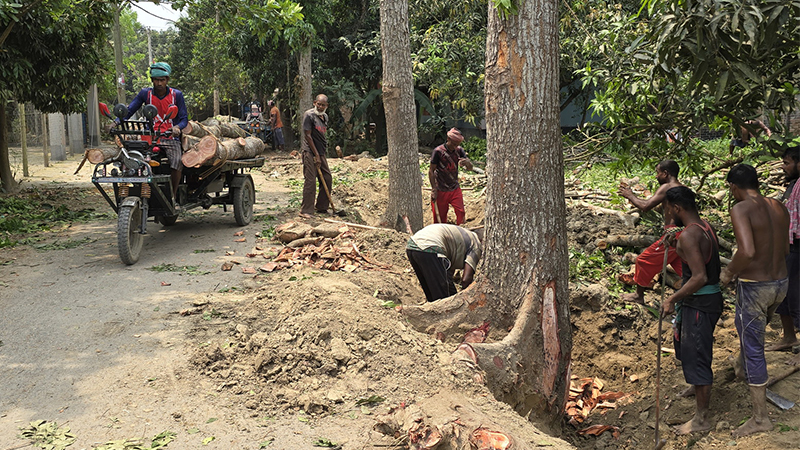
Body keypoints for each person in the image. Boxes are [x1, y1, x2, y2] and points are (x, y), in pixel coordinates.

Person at [720, 164, 789, 438]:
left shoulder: (740, 208)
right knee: (752, 334)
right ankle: (741, 367)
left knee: (754, 346)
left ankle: (760, 417)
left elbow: (746, 251)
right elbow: (784, 248)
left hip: (755, 286)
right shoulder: (778, 206)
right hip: (780, 283)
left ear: (734, 187)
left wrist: (728, 272)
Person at [660, 186, 723, 435]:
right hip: (705, 301)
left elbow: (698, 277)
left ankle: (701, 419)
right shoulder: (702, 226)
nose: (667, 215)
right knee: (688, 349)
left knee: (697, 356)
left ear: (677, 208)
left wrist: (671, 299)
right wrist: (676, 240)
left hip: (700, 303)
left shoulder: (689, 235)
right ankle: (696, 387)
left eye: (667, 210)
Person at [618, 160, 684, 303]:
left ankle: (638, 296)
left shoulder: (667, 187)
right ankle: (698, 298)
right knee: (684, 269)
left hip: (673, 235)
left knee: (642, 261)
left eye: (657, 172)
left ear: (665, 173)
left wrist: (630, 195)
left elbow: (646, 206)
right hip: (684, 234)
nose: (656, 176)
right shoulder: (682, 188)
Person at [123, 62, 188, 201]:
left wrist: (177, 128)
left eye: (162, 80)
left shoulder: (176, 95)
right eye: (156, 80)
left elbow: (184, 119)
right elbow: (129, 110)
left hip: (169, 138)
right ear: (152, 80)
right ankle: (140, 191)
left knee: (177, 162)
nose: (159, 83)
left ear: (167, 80)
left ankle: (173, 194)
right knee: (133, 160)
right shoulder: (145, 94)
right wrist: (116, 121)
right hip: (150, 137)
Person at [766, 147, 800, 353]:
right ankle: (789, 337)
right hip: (789, 246)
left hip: (798, 246)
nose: (783, 166)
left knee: (796, 293)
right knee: (784, 293)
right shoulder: (794, 185)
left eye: (787, 163)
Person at [406, 224, 482, 302]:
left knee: (433, 297)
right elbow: (466, 279)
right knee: (449, 300)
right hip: (430, 247)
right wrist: (465, 300)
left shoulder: (463, 237)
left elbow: (448, 271)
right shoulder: (477, 245)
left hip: (412, 246)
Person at [429, 128, 472, 225]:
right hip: (440, 188)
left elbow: (470, 168)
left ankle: (460, 232)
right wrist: (434, 189)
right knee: (440, 218)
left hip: (454, 187)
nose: (455, 146)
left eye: (457, 144)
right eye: (453, 144)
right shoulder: (438, 152)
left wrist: (468, 163)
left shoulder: (459, 151)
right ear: (448, 139)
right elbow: (431, 171)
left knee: (461, 212)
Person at [300, 94, 332, 218]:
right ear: (314, 103)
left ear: (326, 106)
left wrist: (320, 154)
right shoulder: (309, 115)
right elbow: (308, 136)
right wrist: (316, 155)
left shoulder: (325, 117)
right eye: (318, 104)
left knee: (327, 178)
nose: (320, 106)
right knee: (311, 181)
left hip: (321, 152)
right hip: (309, 151)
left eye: (323, 105)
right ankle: (306, 211)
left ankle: (322, 207)